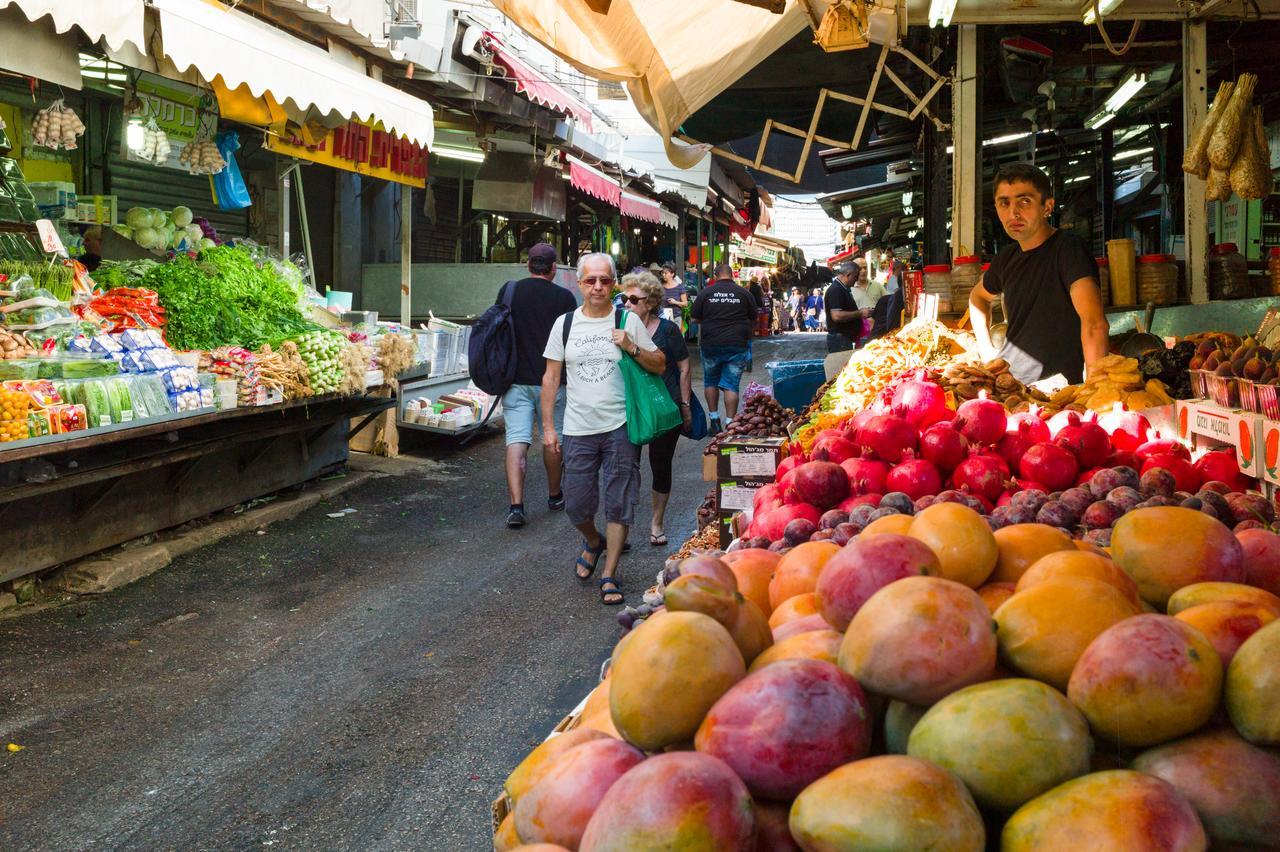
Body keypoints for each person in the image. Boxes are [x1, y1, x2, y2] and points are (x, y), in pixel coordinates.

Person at [542, 253, 665, 606]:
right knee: (576, 505)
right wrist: (548, 427)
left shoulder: (628, 319)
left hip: (621, 426)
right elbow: (551, 376)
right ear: (579, 283)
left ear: (614, 283)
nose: (598, 287)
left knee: (619, 502)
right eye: (591, 280)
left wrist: (630, 344)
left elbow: (660, 363)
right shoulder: (564, 324)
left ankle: (610, 572)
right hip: (578, 427)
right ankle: (593, 541)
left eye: (605, 280)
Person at [968, 162, 1110, 385]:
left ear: (1047, 206)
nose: (1013, 213)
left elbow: (1094, 324)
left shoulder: (1069, 249)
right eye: (1004, 203)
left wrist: (1095, 388)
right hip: (1010, 387)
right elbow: (977, 298)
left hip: (1058, 391)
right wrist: (986, 351)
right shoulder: (1006, 258)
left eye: (1024, 201)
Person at [495, 243, 578, 528]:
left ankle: (516, 506)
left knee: (516, 440)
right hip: (553, 381)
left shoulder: (511, 292)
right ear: (553, 267)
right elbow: (571, 342)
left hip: (515, 379)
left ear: (528, 265)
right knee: (552, 437)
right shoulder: (564, 298)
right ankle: (554, 495)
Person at [620, 271, 691, 547]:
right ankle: (621, 528)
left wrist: (684, 405)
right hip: (632, 408)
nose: (626, 304)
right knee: (626, 467)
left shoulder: (667, 330)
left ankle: (657, 522)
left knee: (660, 465)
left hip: (664, 407)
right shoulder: (619, 328)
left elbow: (684, 366)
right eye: (624, 298)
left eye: (633, 299)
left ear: (650, 302)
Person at [690, 262, 757, 432]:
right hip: (736, 344)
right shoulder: (744, 293)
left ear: (715, 276)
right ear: (732, 275)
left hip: (711, 343)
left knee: (710, 381)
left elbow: (694, 318)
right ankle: (730, 424)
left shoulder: (706, 293)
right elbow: (753, 318)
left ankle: (714, 421)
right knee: (731, 385)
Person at [823, 261, 874, 353]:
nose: (856, 280)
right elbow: (837, 316)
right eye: (855, 277)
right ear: (848, 275)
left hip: (845, 339)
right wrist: (860, 313)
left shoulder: (843, 288)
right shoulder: (836, 290)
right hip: (841, 340)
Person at [660, 261, 689, 330]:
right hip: (662, 317)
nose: (663, 275)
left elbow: (685, 303)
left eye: (666, 273)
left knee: (674, 338)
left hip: (676, 318)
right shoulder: (660, 286)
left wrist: (675, 302)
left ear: (672, 274)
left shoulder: (679, 287)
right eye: (662, 273)